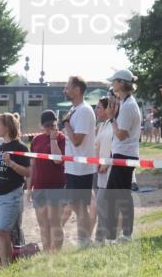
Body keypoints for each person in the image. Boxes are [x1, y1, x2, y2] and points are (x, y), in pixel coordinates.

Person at [0, 113, 31, 266]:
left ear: (7, 127)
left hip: (11, 194)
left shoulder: (20, 147)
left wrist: (11, 164)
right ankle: (6, 266)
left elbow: (28, 172)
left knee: (2, 230)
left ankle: (7, 266)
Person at [105, 69, 141, 241]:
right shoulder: (127, 103)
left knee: (119, 195)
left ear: (121, 83)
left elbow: (121, 134)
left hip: (124, 154)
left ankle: (124, 233)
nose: (112, 84)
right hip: (123, 153)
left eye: (114, 81)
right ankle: (122, 232)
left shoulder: (128, 106)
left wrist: (111, 118)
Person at [61, 76, 97, 246]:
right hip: (73, 167)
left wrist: (66, 123)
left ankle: (84, 239)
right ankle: (85, 238)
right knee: (77, 204)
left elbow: (77, 140)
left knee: (79, 205)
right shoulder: (74, 109)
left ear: (77, 90)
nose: (64, 91)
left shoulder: (84, 110)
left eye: (67, 87)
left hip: (81, 167)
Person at [28, 111, 67, 252]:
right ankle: (47, 252)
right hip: (39, 186)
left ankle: (56, 253)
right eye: (47, 125)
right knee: (43, 223)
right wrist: (29, 187)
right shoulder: (36, 140)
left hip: (56, 186)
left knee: (54, 222)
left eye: (52, 125)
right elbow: (32, 165)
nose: (50, 128)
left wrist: (53, 140)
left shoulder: (61, 138)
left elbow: (57, 160)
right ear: (41, 125)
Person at [93, 96, 115, 244]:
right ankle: (100, 238)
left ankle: (104, 238)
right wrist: (96, 163)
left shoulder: (114, 124)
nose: (96, 110)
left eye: (98, 107)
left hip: (111, 169)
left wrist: (106, 164)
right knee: (101, 204)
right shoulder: (102, 126)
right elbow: (97, 147)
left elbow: (117, 146)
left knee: (105, 203)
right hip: (100, 170)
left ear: (108, 109)